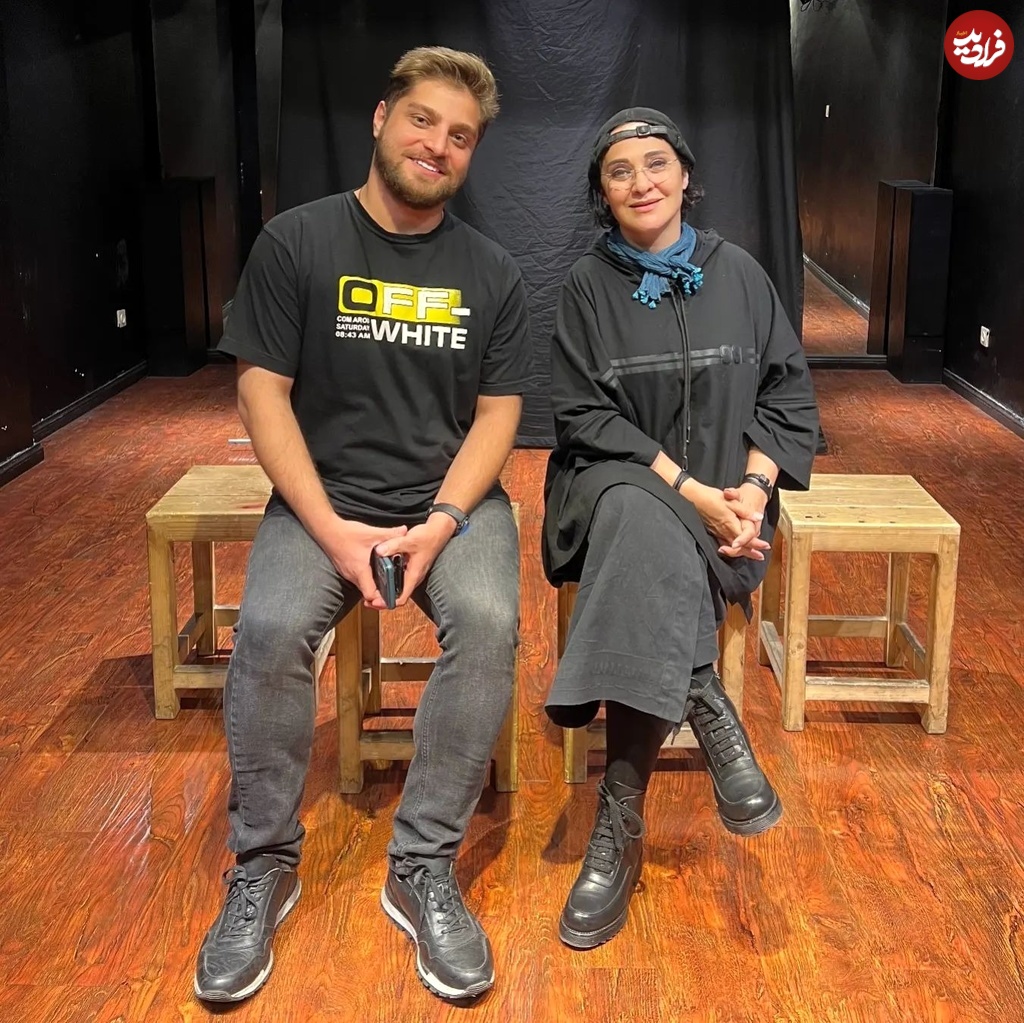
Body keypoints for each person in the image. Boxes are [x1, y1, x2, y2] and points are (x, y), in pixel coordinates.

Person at [194, 47, 531, 1004]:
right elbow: (262, 391)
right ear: (382, 119)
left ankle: (421, 862)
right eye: (424, 120)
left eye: (461, 135)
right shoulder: (296, 242)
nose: (439, 145)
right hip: (323, 500)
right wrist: (334, 530)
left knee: (491, 627)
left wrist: (444, 519)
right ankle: (263, 862)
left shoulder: (492, 271)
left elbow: (500, 414)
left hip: (450, 504)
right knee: (267, 630)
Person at [542, 107, 820, 950]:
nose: (642, 182)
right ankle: (704, 696)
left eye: (656, 163)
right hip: (609, 492)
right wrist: (692, 491)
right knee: (639, 514)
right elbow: (584, 417)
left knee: (653, 547)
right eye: (620, 171)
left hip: (730, 514)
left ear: (686, 174)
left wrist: (753, 490)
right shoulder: (587, 285)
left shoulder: (740, 274)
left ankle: (617, 823)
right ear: (602, 192)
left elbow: (787, 394)